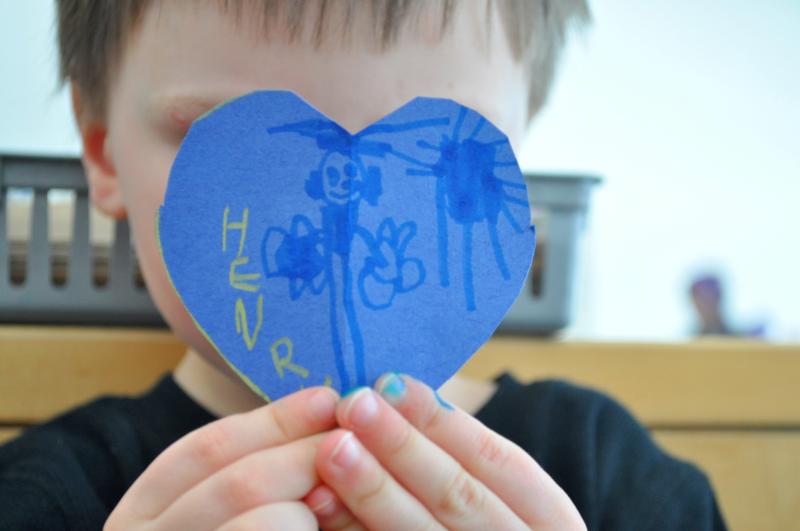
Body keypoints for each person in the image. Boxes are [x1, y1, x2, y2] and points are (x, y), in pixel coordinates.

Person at [0, 1, 727, 529]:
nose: (342, 224)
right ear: (102, 153)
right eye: (238, 148)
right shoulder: (44, 494)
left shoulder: (616, 481)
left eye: (431, 160)